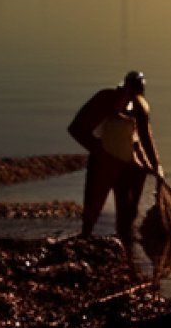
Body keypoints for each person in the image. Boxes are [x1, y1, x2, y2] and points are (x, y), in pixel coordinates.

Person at [67, 70, 163, 268]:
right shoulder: (105, 99)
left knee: (127, 220)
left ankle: (127, 260)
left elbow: (145, 137)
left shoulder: (140, 106)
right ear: (123, 87)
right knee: (91, 214)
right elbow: (76, 128)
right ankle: (84, 250)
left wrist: (156, 166)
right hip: (104, 161)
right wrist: (99, 151)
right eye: (129, 90)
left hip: (130, 165)